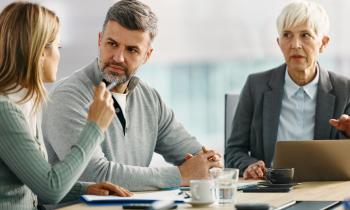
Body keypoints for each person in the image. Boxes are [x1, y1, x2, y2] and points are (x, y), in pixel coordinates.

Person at [42, 0, 222, 191]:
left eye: (132, 50)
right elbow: (94, 175)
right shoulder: (67, 97)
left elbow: (194, 154)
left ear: (147, 55)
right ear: (100, 40)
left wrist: (208, 163)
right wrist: (180, 175)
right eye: (112, 44)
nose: (118, 57)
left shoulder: (150, 99)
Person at [0, 2, 132, 210]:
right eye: (57, 46)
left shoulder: (24, 105)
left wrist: (84, 190)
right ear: (40, 51)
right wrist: (95, 126)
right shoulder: (5, 111)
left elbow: (36, 184)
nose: (59, 54)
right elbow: (50, 188)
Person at [225, 0, 350, 180]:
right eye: (287, 35)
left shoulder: (344, 90)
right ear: (279, 43)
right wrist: (249, 166)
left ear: (323, 43)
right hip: (271, 189)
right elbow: (233, 151)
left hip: (322, 187)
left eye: (305, 35)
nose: (295, 44)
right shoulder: (256, 86)